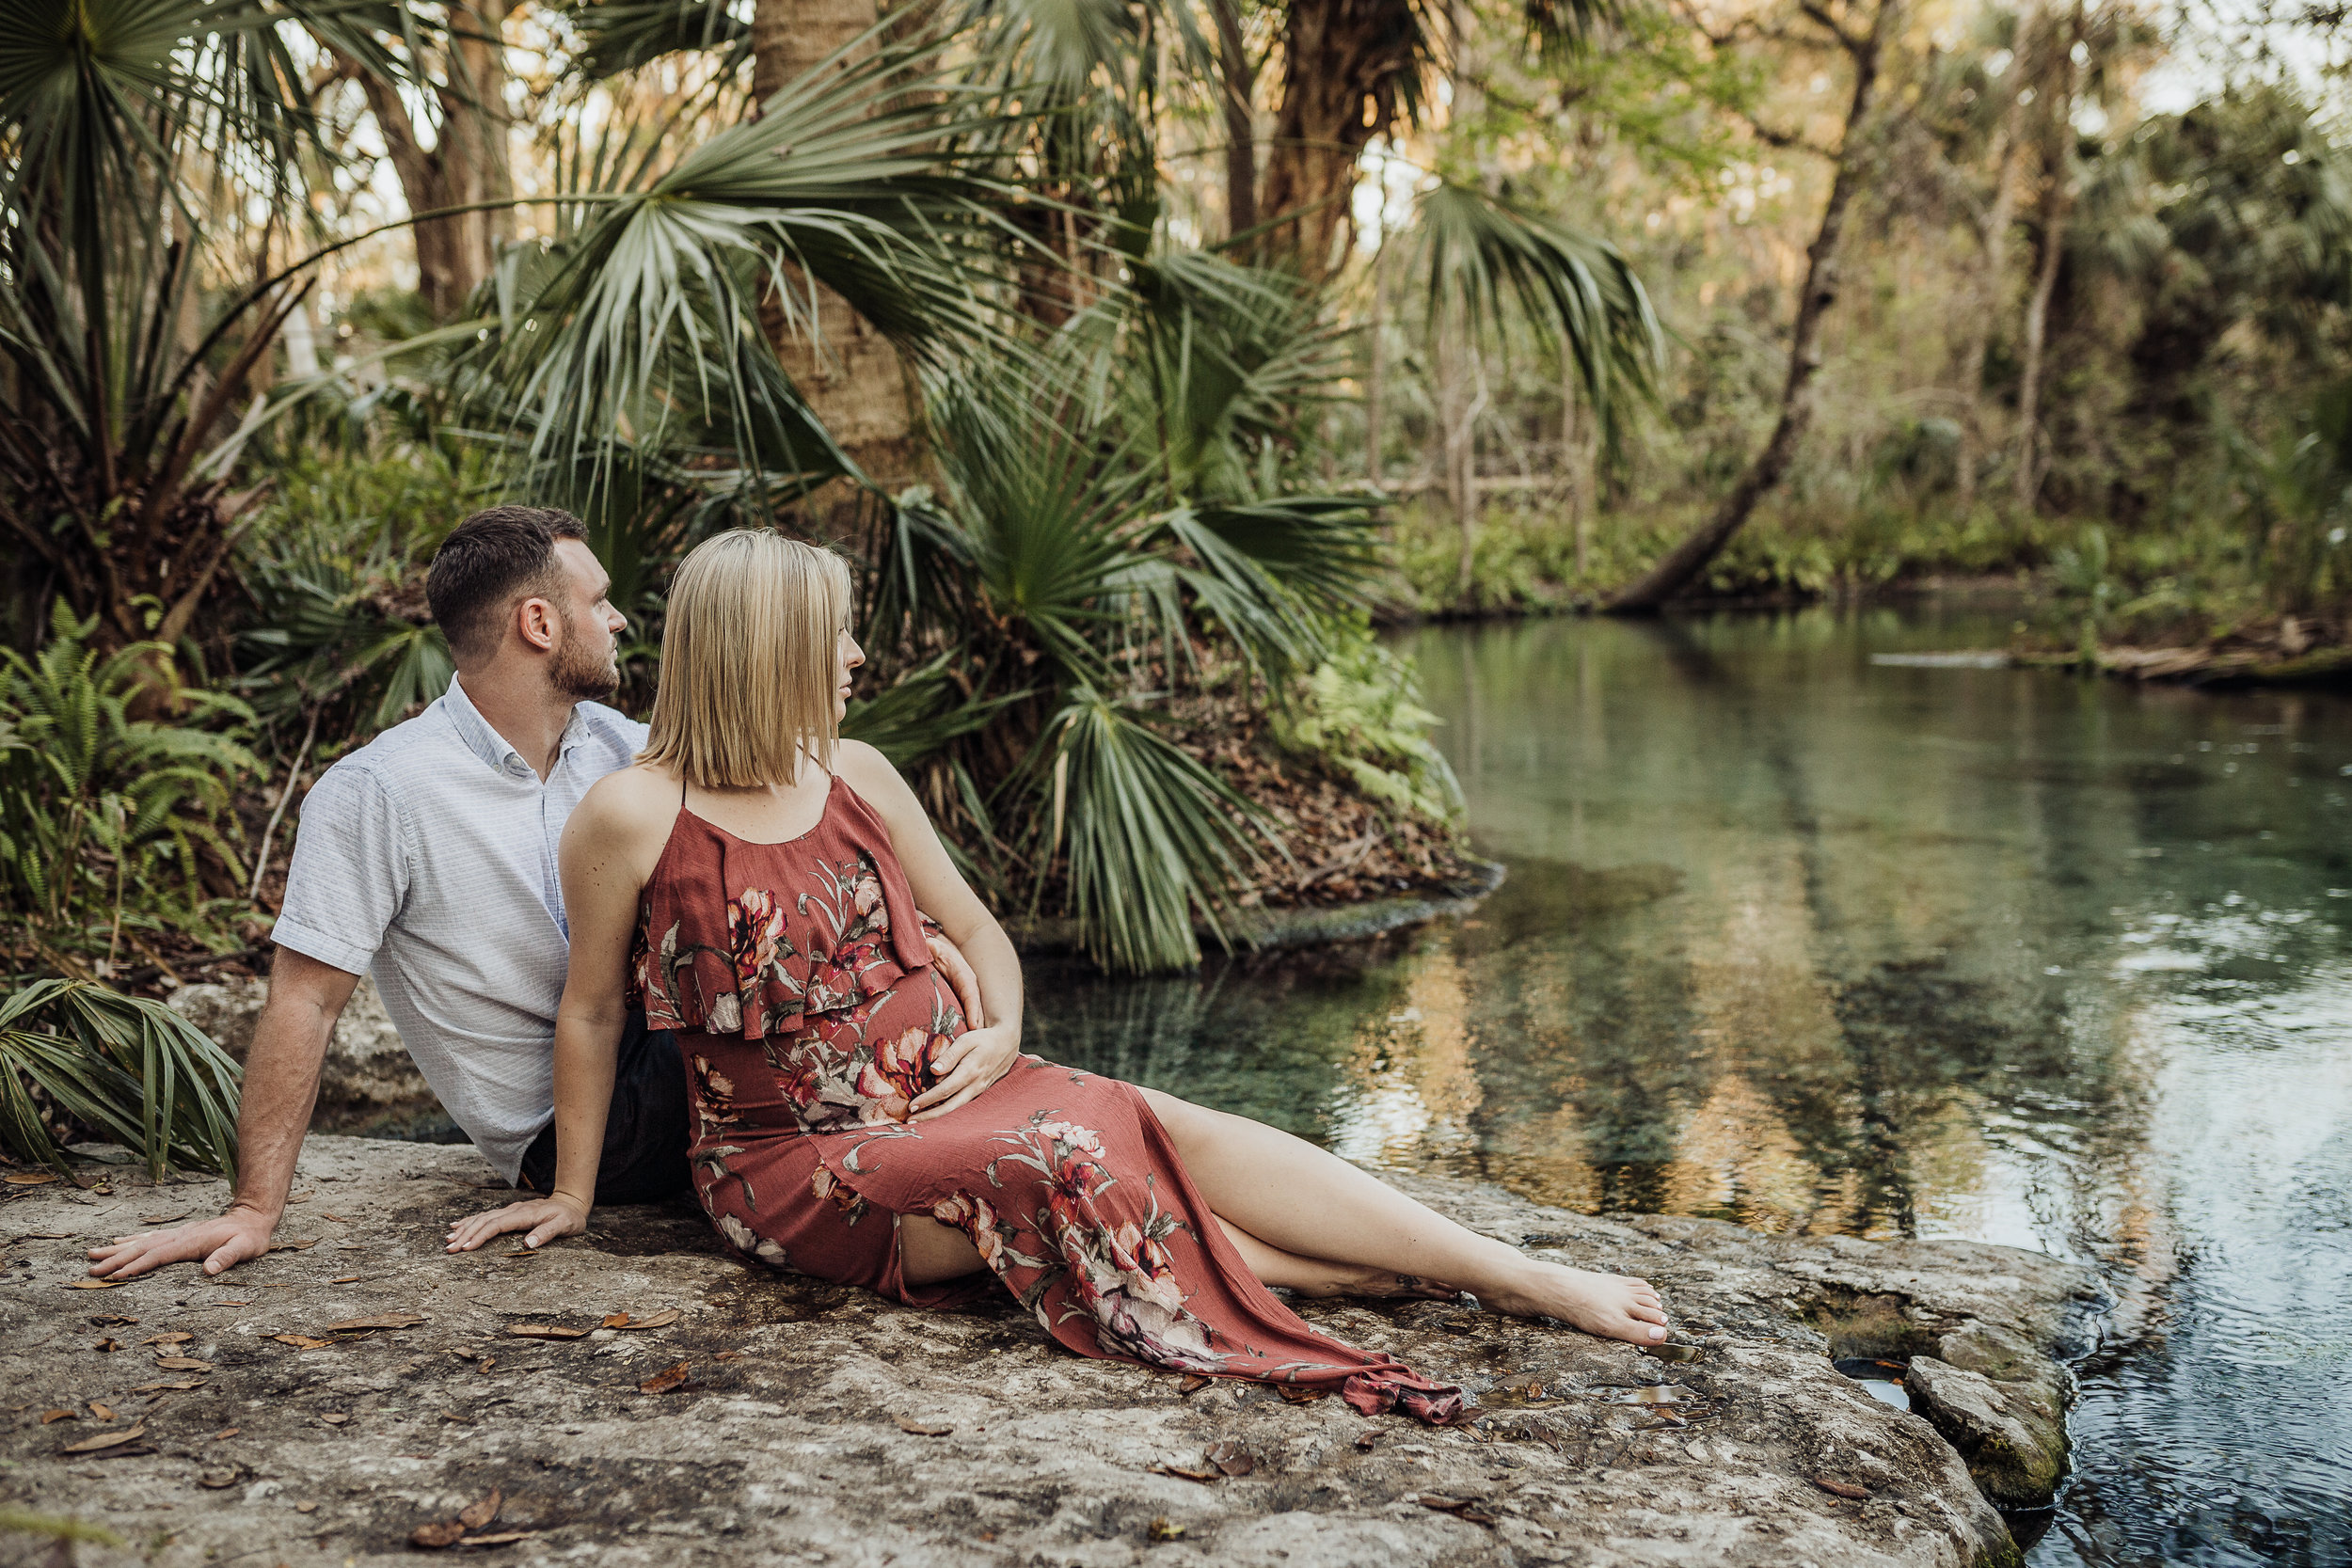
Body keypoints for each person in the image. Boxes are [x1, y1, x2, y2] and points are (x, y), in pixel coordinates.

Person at [445, 529, 1670, 1421]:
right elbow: (594, 1007)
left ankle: (1509, 1272)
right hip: (801, 1167)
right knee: (1073, 1150)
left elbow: (979, 934)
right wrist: (572, 1191)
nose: (860, 653)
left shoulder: (857, 771)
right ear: (769, 652)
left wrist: (998, 1032)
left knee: (1155, 1118)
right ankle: (1405, 1273)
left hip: (961, 1087)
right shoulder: (630, 811)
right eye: (839, 634)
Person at [83, 507, 988, 1282]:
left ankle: (982, 1156)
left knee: (861, 997)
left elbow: (775, 819)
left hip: (668, 1050)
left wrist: (892, 930)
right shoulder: (378, 794)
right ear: (539, 624)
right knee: (847, 1021)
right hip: (584, 1128)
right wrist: (253, 1209)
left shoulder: (618, 743)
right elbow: (305, 1001)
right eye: (598, 603)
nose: (624, 620)